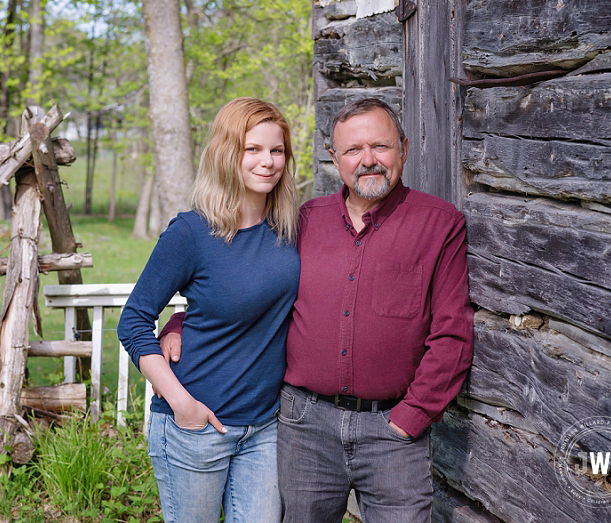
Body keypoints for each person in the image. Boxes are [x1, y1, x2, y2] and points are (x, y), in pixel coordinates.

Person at [160, 97, 473, 522]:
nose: (368, 161)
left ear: (402, 146)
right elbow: (252, 288)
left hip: (392, 431)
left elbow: (452, 334)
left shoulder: (438, 224)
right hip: (302, 426)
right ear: (334, 158)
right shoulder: (303, 220)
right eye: (352, 150)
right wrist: (181, 322)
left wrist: (412, 415)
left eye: (380, 146)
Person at [117, 97, 300, 523]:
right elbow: (134, 320)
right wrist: (182, 403)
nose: (267, 162)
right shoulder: (192, 232)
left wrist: (179, 320)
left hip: (265, 427)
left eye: (277, 150)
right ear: (225, 153)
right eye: (251, 149)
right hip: (195, 427)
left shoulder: (291, 227)